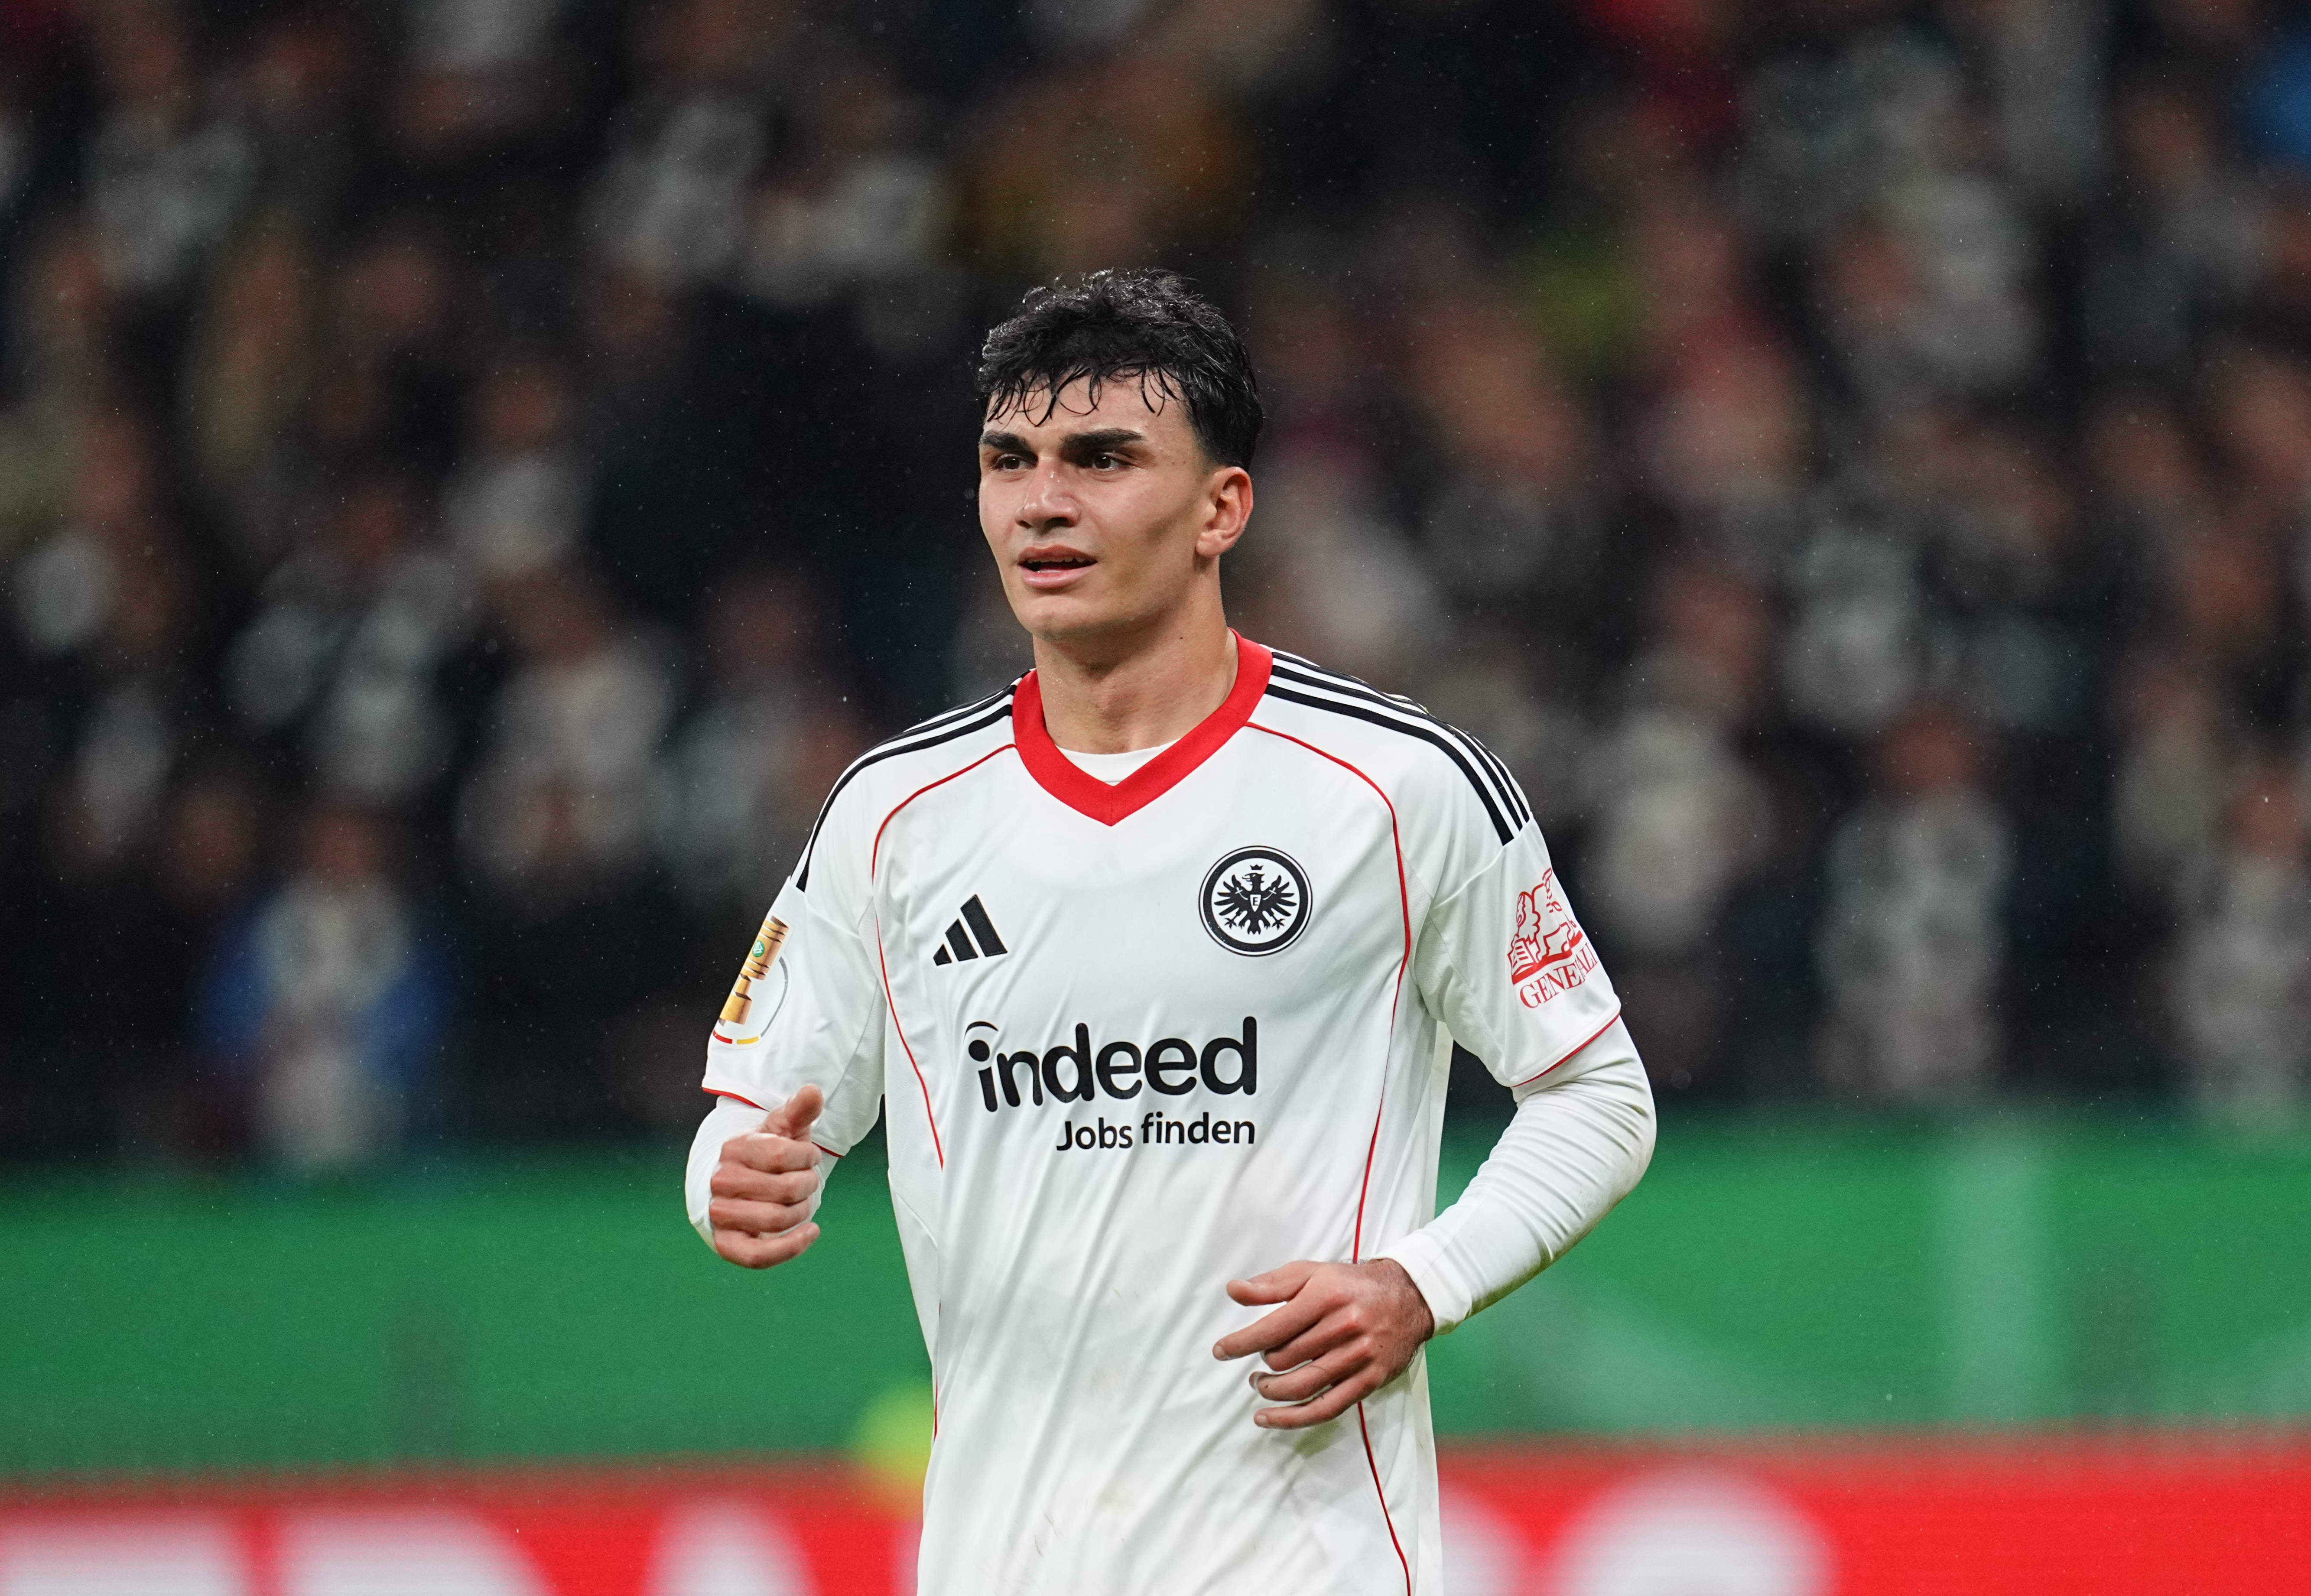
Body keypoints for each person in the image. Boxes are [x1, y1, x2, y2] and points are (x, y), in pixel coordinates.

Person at [683, 270, 1656, 1594]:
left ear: (1223, 507)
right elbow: (749, 1115)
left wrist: (1422, 1281)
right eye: (1008, 461)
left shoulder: (1397, 787)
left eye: (1102, 459)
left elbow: (1598, 1092)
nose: (1043, 501)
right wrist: (726, 1177)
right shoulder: (893, 816)